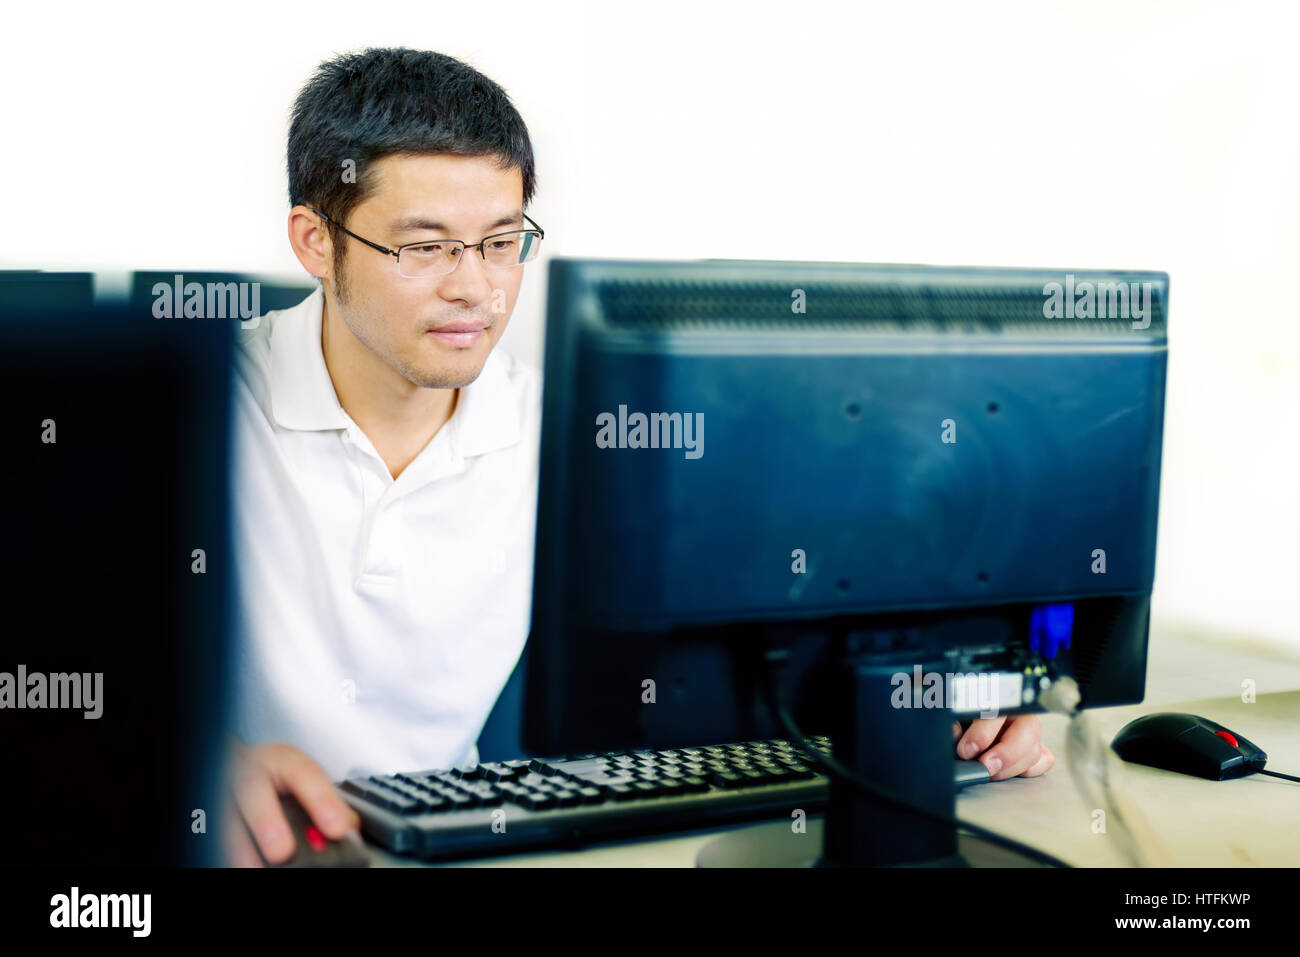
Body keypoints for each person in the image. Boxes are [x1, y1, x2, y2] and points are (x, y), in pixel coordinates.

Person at [223, 46, 1052, 868]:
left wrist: (932, 698)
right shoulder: (200, 406)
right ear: (316, 241)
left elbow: (766, 642)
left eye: (501, 242)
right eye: (426, 247)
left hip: (454, 852)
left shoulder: (570, 436)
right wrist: (198, 762)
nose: (475, 288)